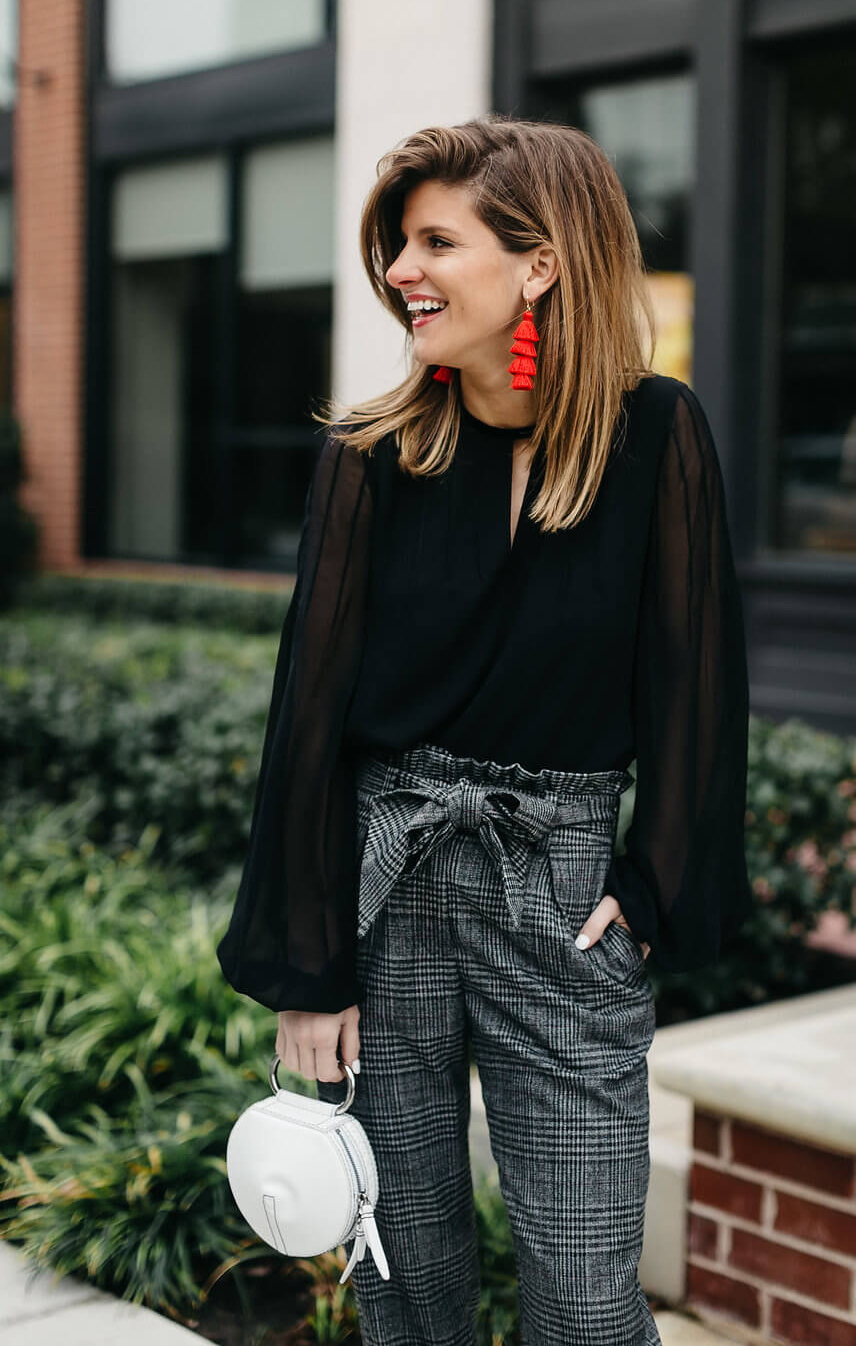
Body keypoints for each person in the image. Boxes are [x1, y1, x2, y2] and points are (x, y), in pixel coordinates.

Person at [216, 115, 754, 1346]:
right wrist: (311, 965)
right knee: (405, 1284)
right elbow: (309, 717)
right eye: (398, 245)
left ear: (540, 263)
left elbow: (696, 687)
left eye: (434, 241)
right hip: (386, 887)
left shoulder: (656, 436)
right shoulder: (369, 457)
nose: (401, 270)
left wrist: (650, 887)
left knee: (583, 1291)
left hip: (560, 899)